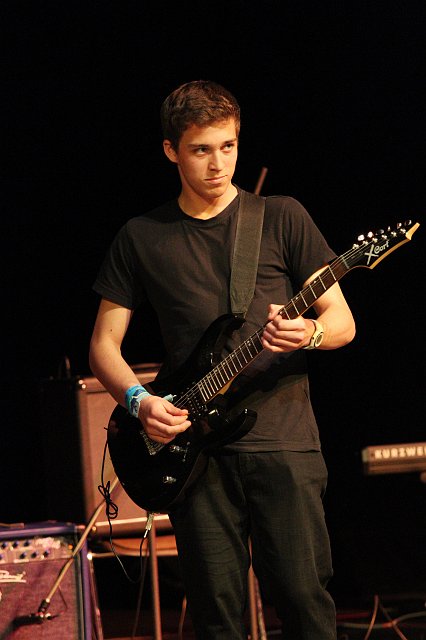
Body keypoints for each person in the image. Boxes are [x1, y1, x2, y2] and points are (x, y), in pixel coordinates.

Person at [89, 79, 355, 639]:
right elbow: (103, 347)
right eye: (201, 150)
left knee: (304, 602)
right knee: (216, 617)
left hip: (283, 442)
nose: (218, 164)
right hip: (196, 454)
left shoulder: (281, 216)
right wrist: (139, 402)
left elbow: (342, 322)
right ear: (171, 150)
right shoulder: (141, 235)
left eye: (228, 146)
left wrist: (308, 333)